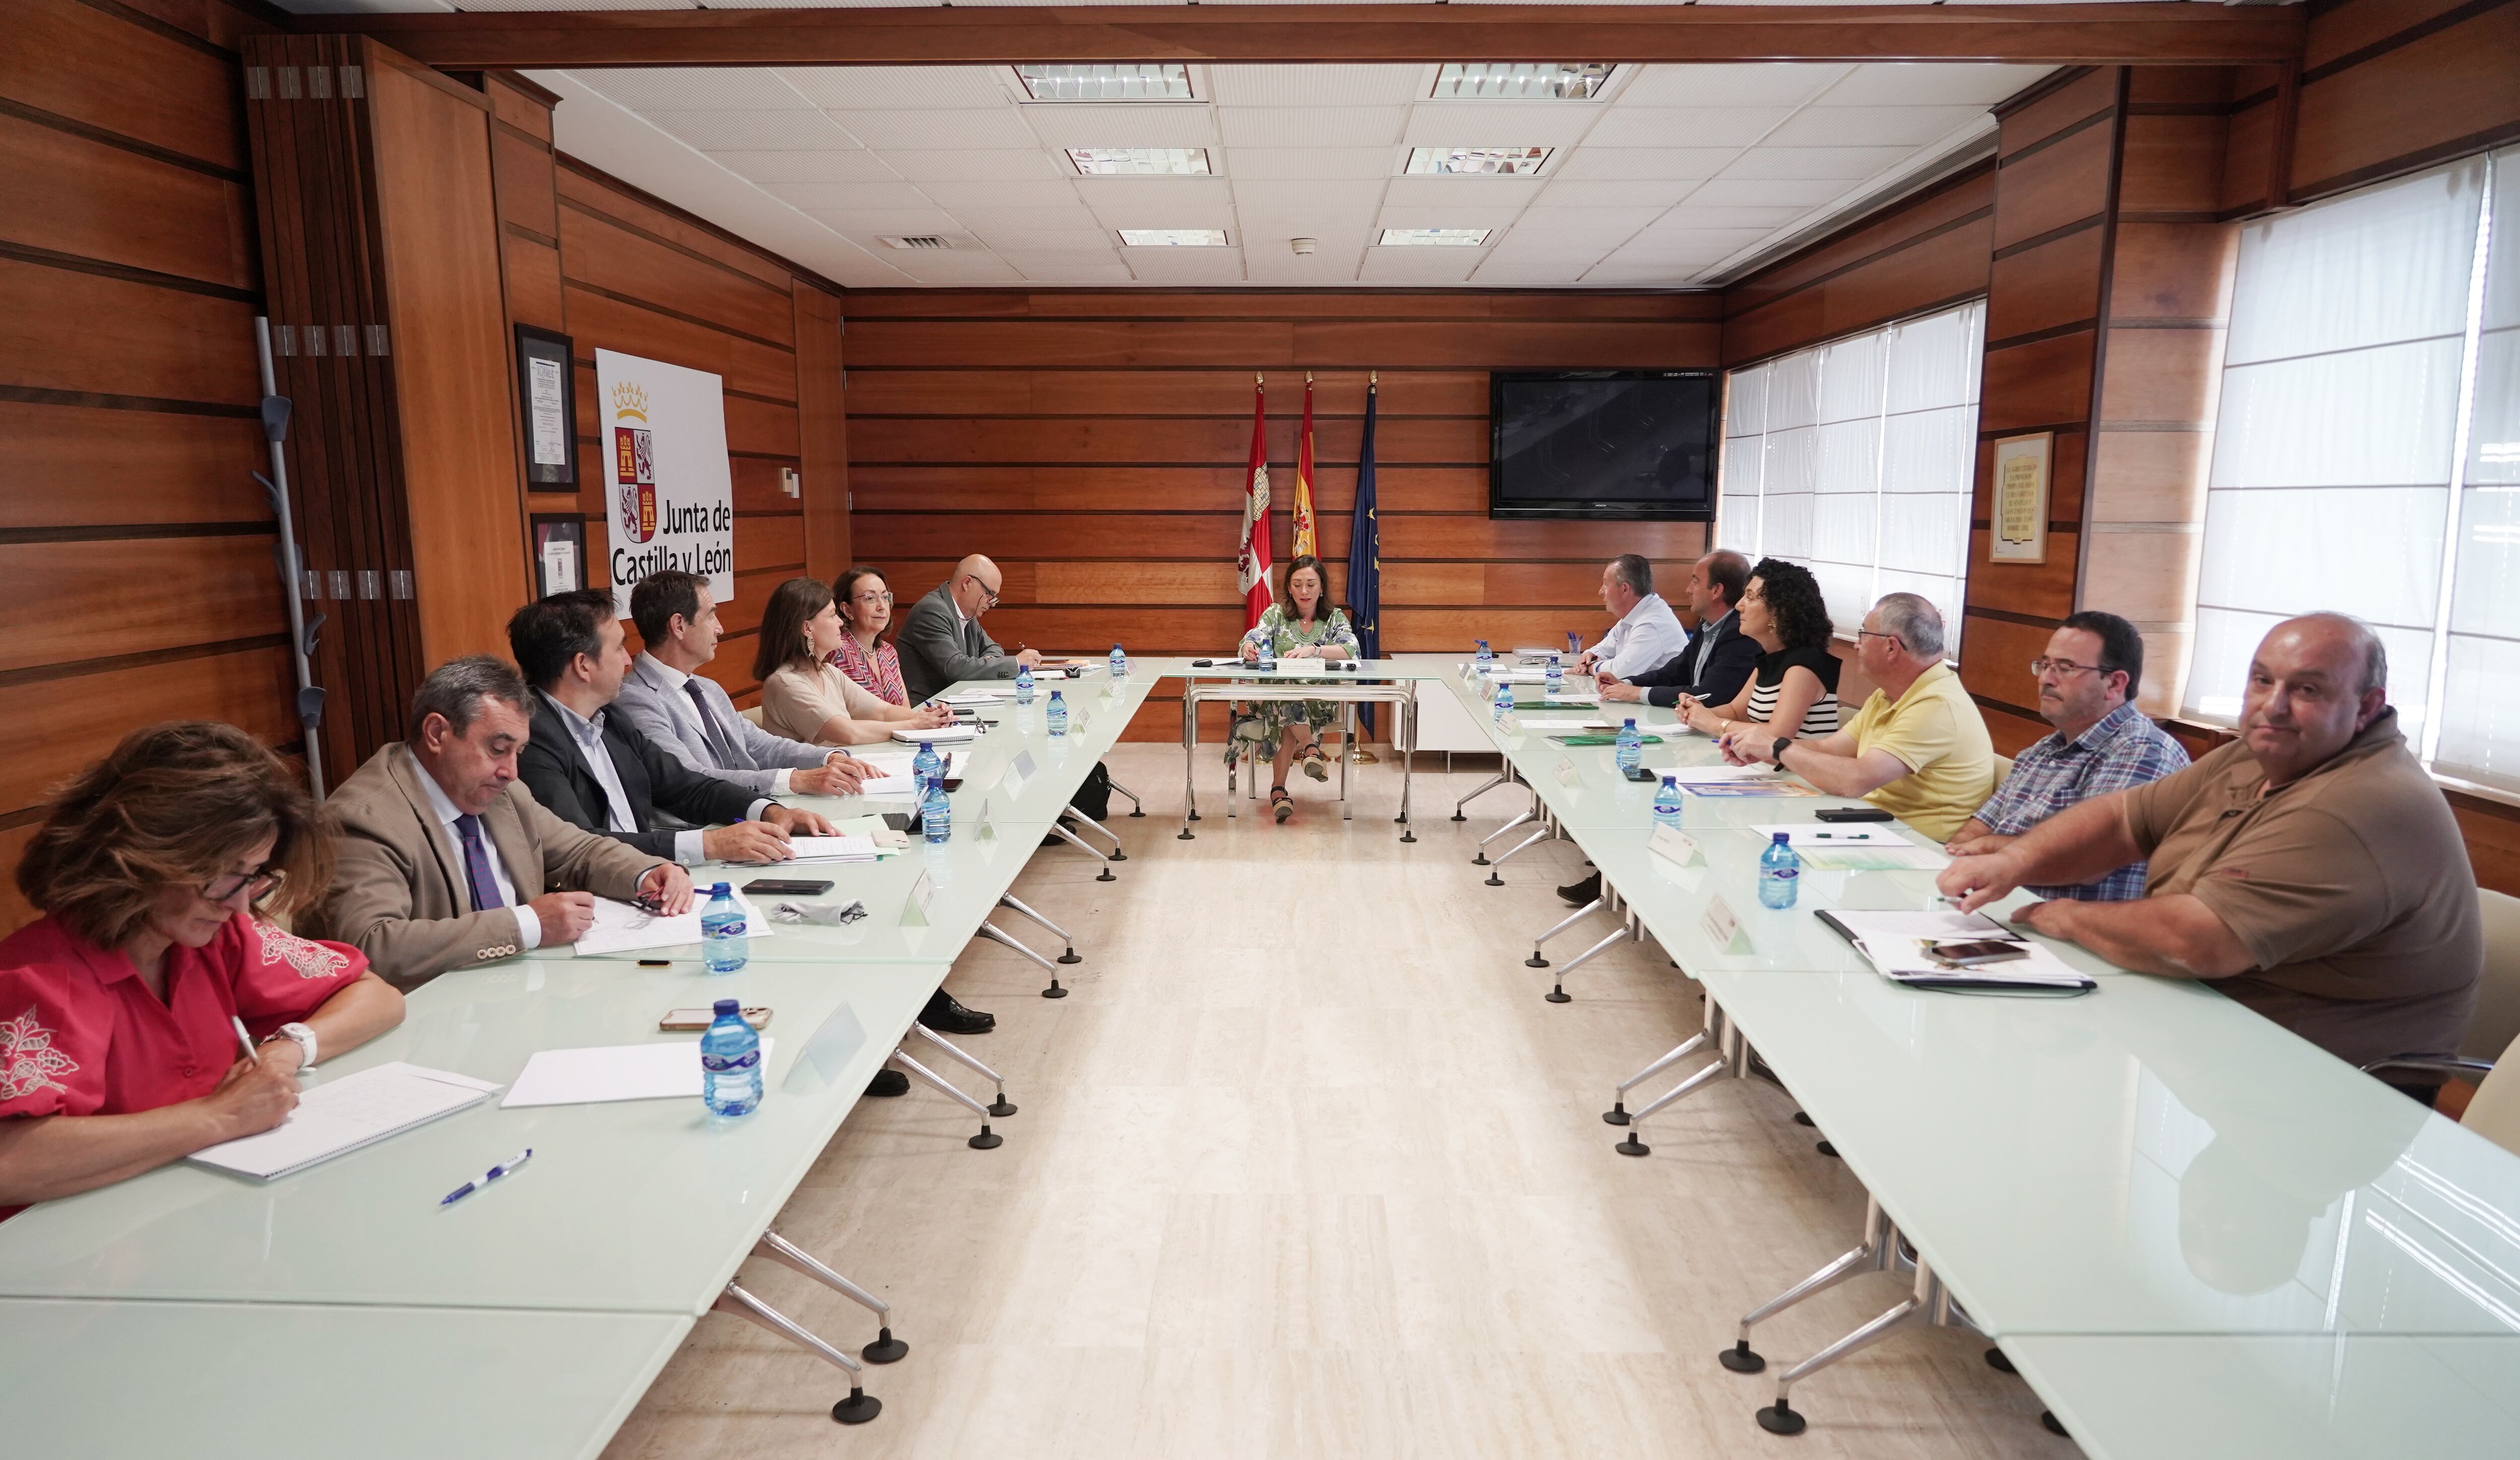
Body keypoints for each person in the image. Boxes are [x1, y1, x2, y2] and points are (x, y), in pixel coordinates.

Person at [1939, 614, 2482, 1081]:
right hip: (2212, 1035)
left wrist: (2058, 915)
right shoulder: (2259, 753)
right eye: (2261, 680)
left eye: (2307, 690)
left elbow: (2196, 940)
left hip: (2322, 1086)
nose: (2273, 706)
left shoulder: (2360, 804)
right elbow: (2124, 820)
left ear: (2366, 707)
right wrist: (2016, 860)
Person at [0, 722, 404, 1214]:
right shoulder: (40, 977)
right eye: (225, 876)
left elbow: (377, 994)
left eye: (252, 877)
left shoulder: (215, 937)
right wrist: (219, 1117)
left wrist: (286, 1050)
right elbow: (12, 1161)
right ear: (145, 855)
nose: (238, 906)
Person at [309, 655, 689, 988]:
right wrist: (527, 925)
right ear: (437, 733)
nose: (510, 771)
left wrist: (648, 872)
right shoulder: (364, 818)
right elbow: (373, 945)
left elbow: (580, 851)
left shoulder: (502, 792)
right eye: (497, 749)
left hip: (524, 992)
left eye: (518, 751)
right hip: (434, 1026)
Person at [511, 590, 833, 864]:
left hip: (653, 875)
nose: (628, 660)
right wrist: (710, 845)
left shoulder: (611, 720)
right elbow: (580, 845)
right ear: (584, 666)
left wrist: (767, 811)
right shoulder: (531, 740)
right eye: (619, 647)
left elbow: (684, 785)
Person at [1944, 612, 2188, 901]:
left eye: (2066, 668)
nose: (2046, 679)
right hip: (1999, 909)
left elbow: (2086, 862)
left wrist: (1988, 850)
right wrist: (1965, 851)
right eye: (2045, 665)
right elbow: (1976, 829)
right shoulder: (2041, 750)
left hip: (2071, 933)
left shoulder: (2144, 751)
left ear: (2115, 684)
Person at [1720, 592, 1994, 842]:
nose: (1856, 646)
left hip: (1917, 848)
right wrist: (1762, 748)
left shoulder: (1936, 706)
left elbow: (1856, 779)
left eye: (1863, 635)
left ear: (1891, 647)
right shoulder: (1890, 694)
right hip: (1876, 827)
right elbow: (1828, 748)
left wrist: (1778, 748)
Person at [614, 570, 868, 801]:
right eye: (711, 616)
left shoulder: (706, 687)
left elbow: (758, 744)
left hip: (750, 811)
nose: (720, 628)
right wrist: (794, 780)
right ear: (679, 626)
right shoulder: (636, 699)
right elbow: (691, 778)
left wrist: (827, 758)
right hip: (702, 830)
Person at [1233, 554, 1362, 823]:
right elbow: (1253, 638)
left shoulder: (1334, 618)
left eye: (1311, 584)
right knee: (1286, 694)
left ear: (1322, 587)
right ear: (1289, 588)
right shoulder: (1276, 614)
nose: (1304, 591)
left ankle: (1278, 790)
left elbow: (1351, 649)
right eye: (1298, 584)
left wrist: (1313, 650)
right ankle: (1311, 750)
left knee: (1287, 705)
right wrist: (1249, 648)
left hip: (1318, 699)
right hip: (1273, 698)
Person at [755, 577, 953, 747]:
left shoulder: (827, 672)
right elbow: (848, 733)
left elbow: (883, 711)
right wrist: (915, 725)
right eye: (832, 616)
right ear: (807, 628)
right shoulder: (785, 683)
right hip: (813, 784)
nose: (841, 622)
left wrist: (931, 715)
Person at [1666, 559, 1841, 740]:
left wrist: (1713, 724)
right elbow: (1736, 711)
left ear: (1778, 611)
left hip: (1799, 767)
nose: (1739, 606)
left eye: (1749, 598)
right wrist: (1697, 712)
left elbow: (1778, 736)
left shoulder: (1805, 665)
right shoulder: (1771, 658)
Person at [1599, 550, 1758, 708]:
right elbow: (1672, 674)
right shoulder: (1706, 627)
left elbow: (1708, 695)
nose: (1688, 590)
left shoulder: (1739, 634)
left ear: (1716, 590)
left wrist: (1637, 693)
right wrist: (1627, 683)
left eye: (1695, 582)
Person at [896, 554, 1042, 703]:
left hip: (954, 701)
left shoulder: (967, 614)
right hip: (927, 706)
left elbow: (994, 648)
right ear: (967, 583)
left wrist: (986, 663)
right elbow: (955, 667)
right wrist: (1016, 663)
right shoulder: (932, 610)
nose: (993, 603)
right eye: (990, 594)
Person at [1572, 554, 1688, 682]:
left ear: (1625, 589)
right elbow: (1602, 650)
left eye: (1606, 584)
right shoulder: (1633, 615)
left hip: (1668, 699)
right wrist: (1590, 656)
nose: (1601, 591)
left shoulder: (1653, 622)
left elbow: (1621, 672)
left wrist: (1591, 668)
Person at [828, 564, 915, 707]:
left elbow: (905, 710)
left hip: (900, 728)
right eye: (870, 598)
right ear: (847, 609)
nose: (882, 606)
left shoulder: (888, 652)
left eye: (886, 597)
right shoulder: (836, 651)